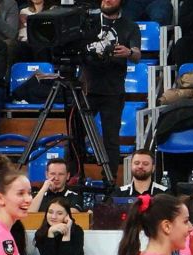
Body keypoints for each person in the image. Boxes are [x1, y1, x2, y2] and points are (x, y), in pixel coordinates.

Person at [80, 0, 141, 179]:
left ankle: (109, 180)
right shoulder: (87, 21)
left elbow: (137, 54)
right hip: (86, 90)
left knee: (111, 140)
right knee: (76, 135)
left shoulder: (130, 26)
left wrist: (129, 52)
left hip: (113, 91)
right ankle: (73, 174)